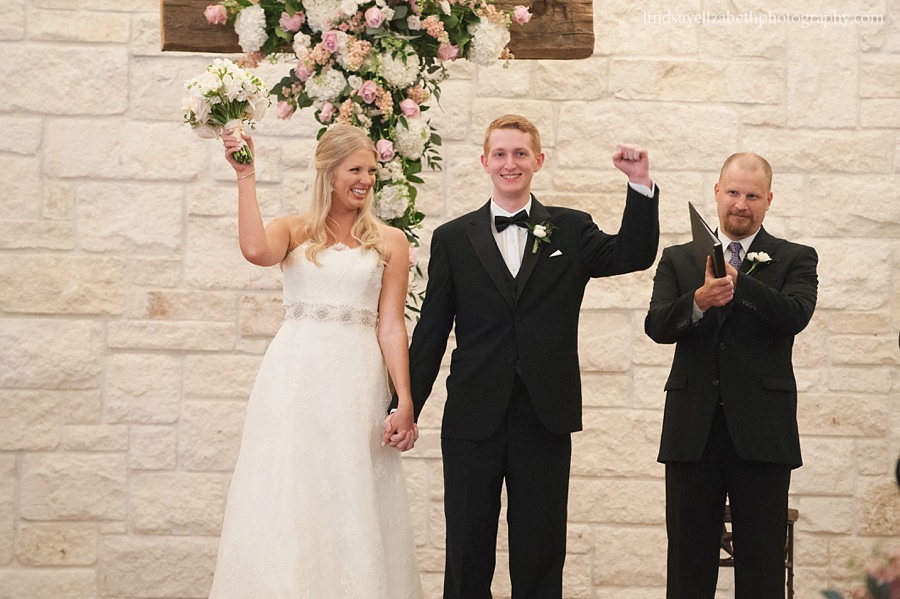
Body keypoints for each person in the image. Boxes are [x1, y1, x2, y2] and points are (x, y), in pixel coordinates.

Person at [385, 114, 660, 599]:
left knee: (540, 550)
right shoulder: (453, 237)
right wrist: (405, 404)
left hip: (544, 413)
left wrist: (639, 183)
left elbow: (632, 254)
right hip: (472, 415)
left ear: (538, 160)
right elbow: (431, 332)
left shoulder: (571, 228)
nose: (509, 163)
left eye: (519, 153)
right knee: (466, 550)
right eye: (500, 154)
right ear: (484, 162)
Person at [208, 124, 423, 598]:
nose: (365, 180)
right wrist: (246, 174)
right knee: (292, 484)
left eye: (371, 170)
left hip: (357, 382)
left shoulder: (390, 240)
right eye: (355, 170)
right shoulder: (293, 229)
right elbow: (255, 251)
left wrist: (404, 400)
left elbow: (391, 325)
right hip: (296, 378)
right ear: (328, 172)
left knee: (353, 489)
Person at [645, 153, 818, 599]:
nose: (741, 204)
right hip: (691, 432)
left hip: (763, 433)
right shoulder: (678, 258)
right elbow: (658, 326)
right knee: (688, 566)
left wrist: (740, 282)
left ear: (769, 200)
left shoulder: (796, 258)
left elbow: (794, 316)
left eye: (753, 196)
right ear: (717, 193)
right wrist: (700, 300)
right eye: (734, 192)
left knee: (762, 568)